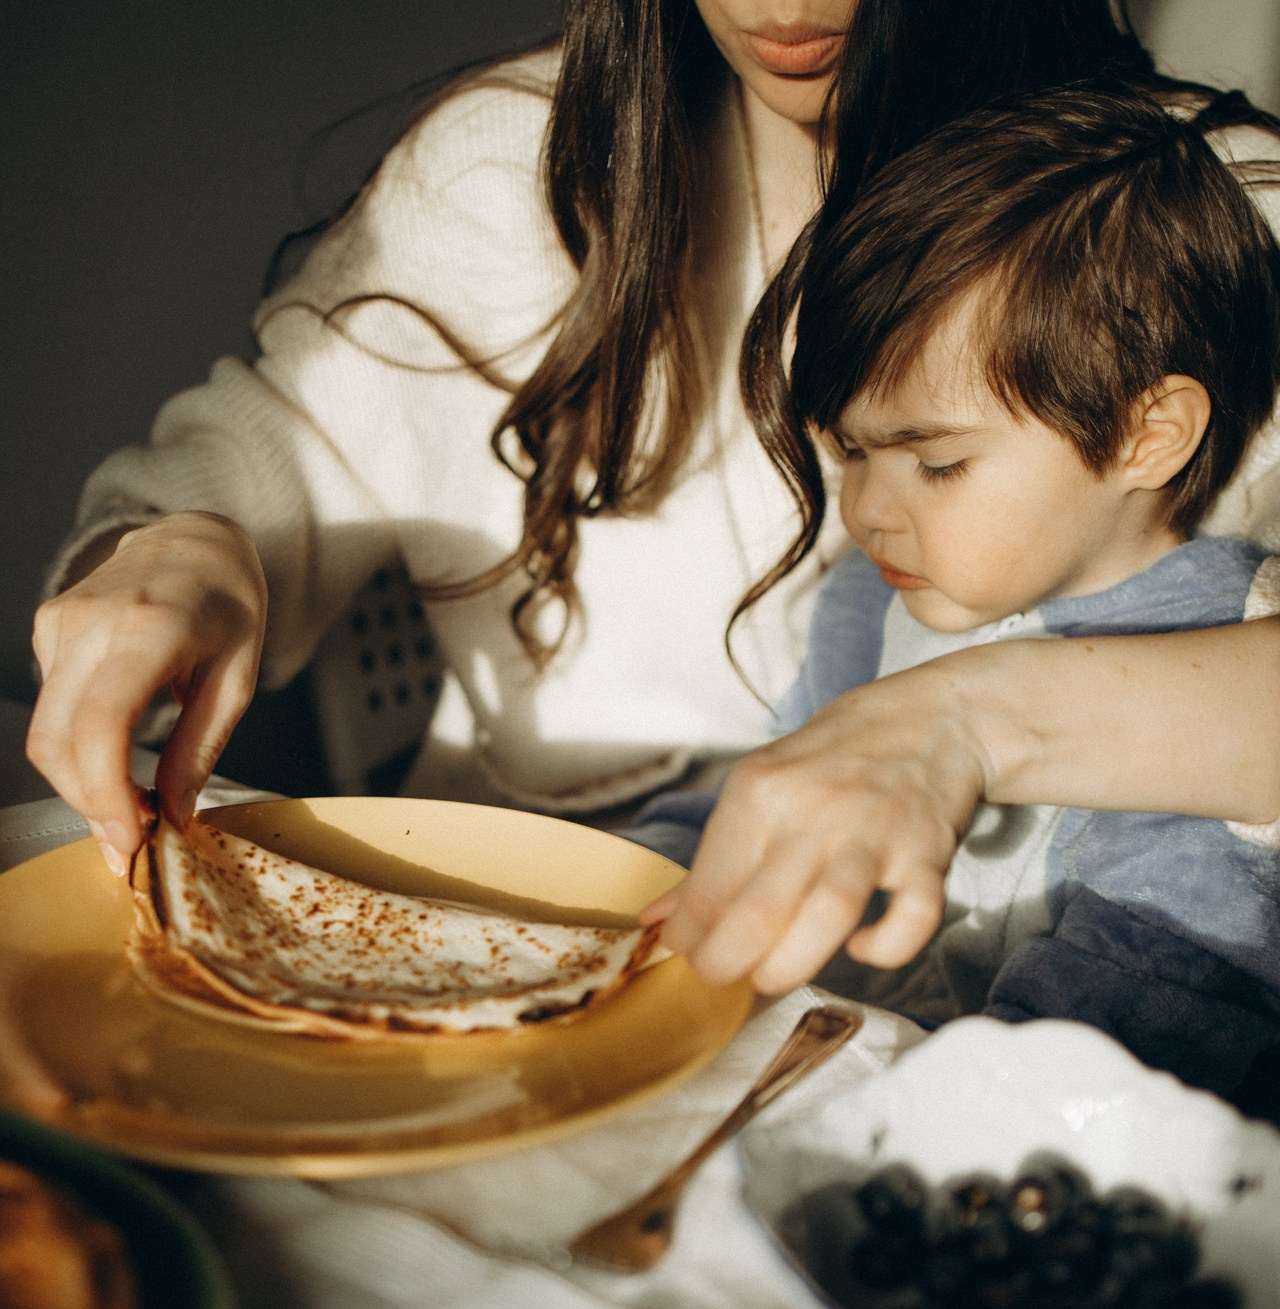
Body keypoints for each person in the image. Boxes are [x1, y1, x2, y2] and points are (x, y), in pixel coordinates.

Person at [23, 2, 1280, 910]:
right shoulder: (506, 165)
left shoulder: (1205, 219)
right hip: (515, 898)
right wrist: (182, 551)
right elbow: (281, 457)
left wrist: (958, 723)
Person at [645, 85, 1280, 1103]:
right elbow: (763, 799)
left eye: (934, 465)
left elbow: (1130, 1021)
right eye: (848, 450)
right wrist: (632, 894)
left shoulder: (1208, 678)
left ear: (1141, 435)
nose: (865, 511)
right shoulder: (870, 599)